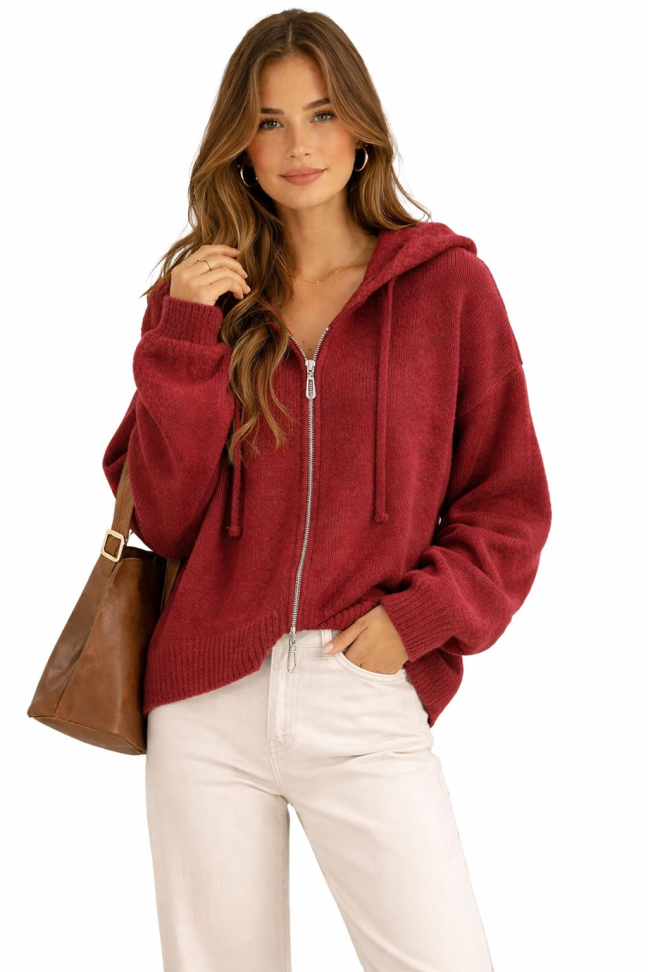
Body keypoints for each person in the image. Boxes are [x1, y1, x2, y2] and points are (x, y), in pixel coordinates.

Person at [102, 9, 552, 971]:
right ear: (239, 143)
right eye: (269, 122)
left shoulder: (447, 288)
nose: (298, 146)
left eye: (321, 114)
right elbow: (166, 518)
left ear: (361, 127)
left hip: (362, 687)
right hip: (203, 703)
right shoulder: (203, 299)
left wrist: (417, 619)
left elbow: (508, 503)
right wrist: (184, 338)